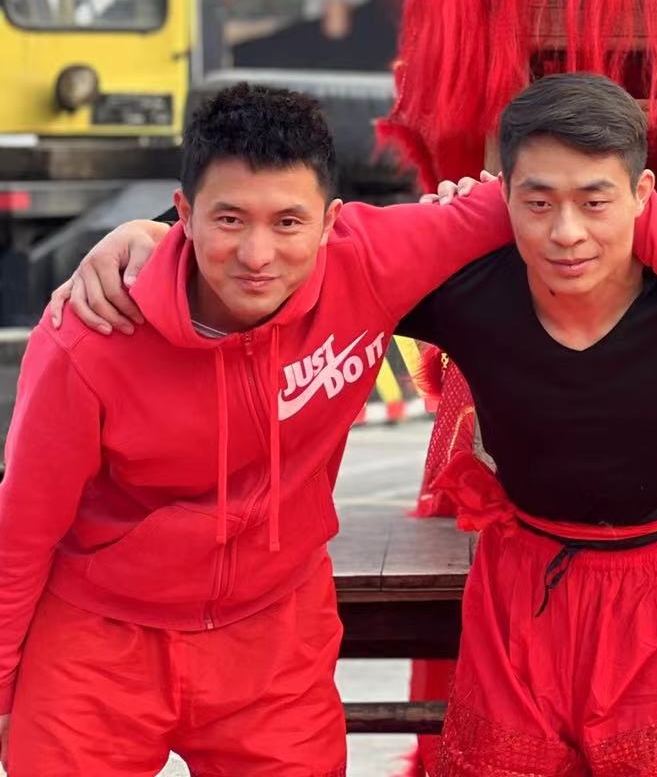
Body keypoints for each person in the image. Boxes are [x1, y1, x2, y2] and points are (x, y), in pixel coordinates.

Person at [52, 73, 657, 777]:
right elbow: (298, 238)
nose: (567, 233)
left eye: (595, 202)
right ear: (503, 195)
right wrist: (156, 235)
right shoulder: (467, 278)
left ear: (642, 197)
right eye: (539, 202)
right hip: (521, 588)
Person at [0, 84, 516, 776]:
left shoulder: (373, 257)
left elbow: (573, 195)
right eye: (230, 219)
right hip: (101, 636)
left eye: (288, 222)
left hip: (275, 632)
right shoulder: (91, 334)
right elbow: (21, 530)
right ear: (183, 214)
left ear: (331, 220)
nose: (257, 254)